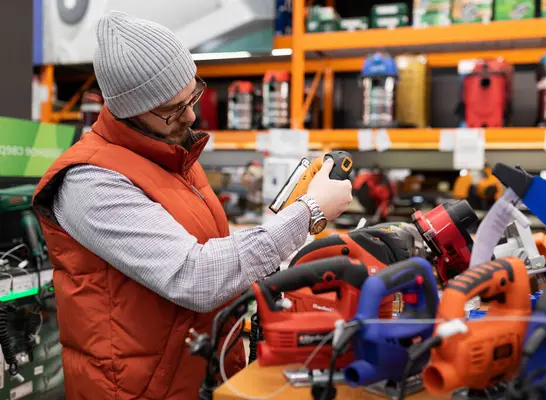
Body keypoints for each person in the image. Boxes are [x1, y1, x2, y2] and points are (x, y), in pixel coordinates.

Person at [31, 11, 353, 400]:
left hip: (197, 374)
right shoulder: (89, 181)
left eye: (193, 95)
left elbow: (206, 243)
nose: (191, 115)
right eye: (172, 108)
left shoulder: (171, 154)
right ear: (128, 109)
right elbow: (194, 277)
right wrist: (308, 211)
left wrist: (282, 225)